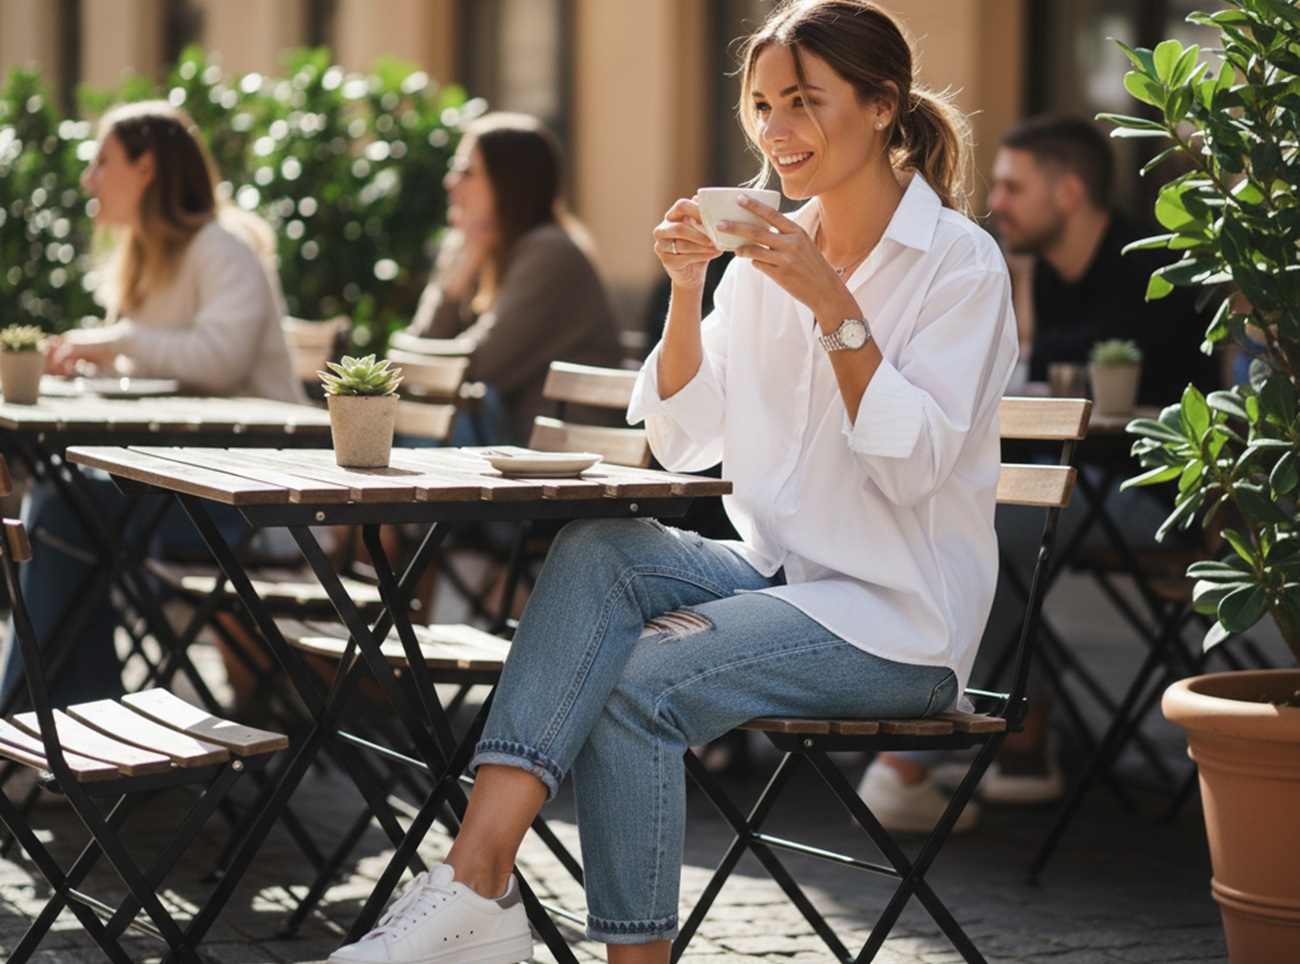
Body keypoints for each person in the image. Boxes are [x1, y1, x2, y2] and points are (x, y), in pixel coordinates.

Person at [325, 3, 1017, 962]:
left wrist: (831, 300)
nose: (776, 129)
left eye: (804, 101)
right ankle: (476, 882)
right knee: (597, 551)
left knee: (639, 684)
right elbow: (685, 441)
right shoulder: (762, 258)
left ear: (881, 106)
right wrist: (687, 292)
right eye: (763, 105)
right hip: (777, 576)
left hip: (900, 623)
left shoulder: (959, 265)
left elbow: (913, 467)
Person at [857, 113, 1221, 831]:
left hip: (1158, 499)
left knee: (969, 520)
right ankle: (1019, 740)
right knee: (967, 523)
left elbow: (1079, 369)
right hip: (1067, 483)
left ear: (1069, 192)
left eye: (1013, 187)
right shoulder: (1051, 274)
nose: (996, 202)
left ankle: (915, 754)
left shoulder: (1149, 270)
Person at [0, 100, 302, 709]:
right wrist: (103, 360)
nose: (89, 178)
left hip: (251, 499)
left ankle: (38, 716)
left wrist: (117, 343)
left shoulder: (221, 249)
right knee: (65, 503)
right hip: (187, 480)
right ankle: (65, 716)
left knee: (64, 509)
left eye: (102, 161)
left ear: (146, 169)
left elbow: (219, 359)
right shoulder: (152, 257)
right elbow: (158, 371)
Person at [399, 112, 624, 446]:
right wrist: (458, 280)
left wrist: (409, 356)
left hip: (564, 456)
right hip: (511, 443)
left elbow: (479, 364)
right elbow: (421, 349)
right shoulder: (478, 245)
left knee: (459, 408)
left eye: (466, 171)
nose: (450, 182)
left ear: (509, 184)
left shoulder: (550, 252)